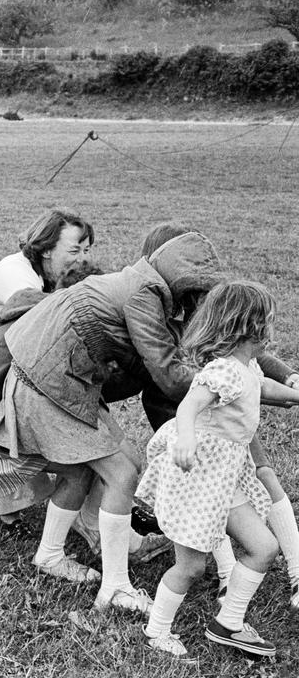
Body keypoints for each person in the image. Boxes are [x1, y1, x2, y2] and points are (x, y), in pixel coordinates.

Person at [0, 231, 225, 614]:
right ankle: (115, 587)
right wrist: (226, 383)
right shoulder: (145, 294)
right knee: (122, 474)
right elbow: (167, 374)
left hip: (48, 378)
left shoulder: (140, 282)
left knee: (84, 472)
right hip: (49, 384)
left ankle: (49, 554)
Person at [137, 281, 299, 658]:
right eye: (268, 323)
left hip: (224, 480)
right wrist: (188, 438)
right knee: (190, 568)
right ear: (248, 328)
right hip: (197, 478)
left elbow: (263, 389)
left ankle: (229, 622)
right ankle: (157, 631)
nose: (272, 331)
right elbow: (189, 406)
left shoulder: (246, 367)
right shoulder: (223, 370)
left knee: (264, 546)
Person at [0, 208, 93, 310]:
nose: (83, 259)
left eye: (86, 250)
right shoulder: (15, 275)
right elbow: (44, 321)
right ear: (46, 250)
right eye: (74, 251)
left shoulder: (49, 274)